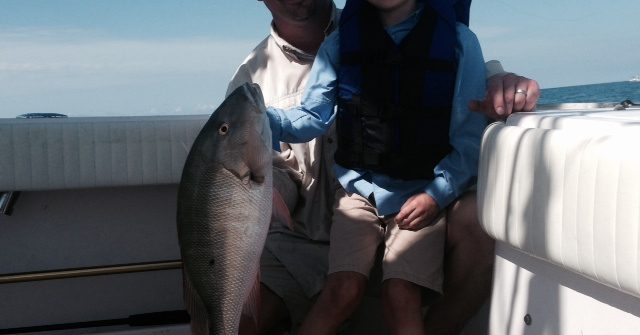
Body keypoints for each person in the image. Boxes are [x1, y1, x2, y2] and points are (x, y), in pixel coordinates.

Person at [223, 0, 540, 334]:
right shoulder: (334, 46)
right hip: (351, 200)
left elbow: (468, 135)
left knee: (401, 294)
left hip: (420, 196)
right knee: (338, 291)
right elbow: (311, 116)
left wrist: (438, 193)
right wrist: (262, 119)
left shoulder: (459, 42)